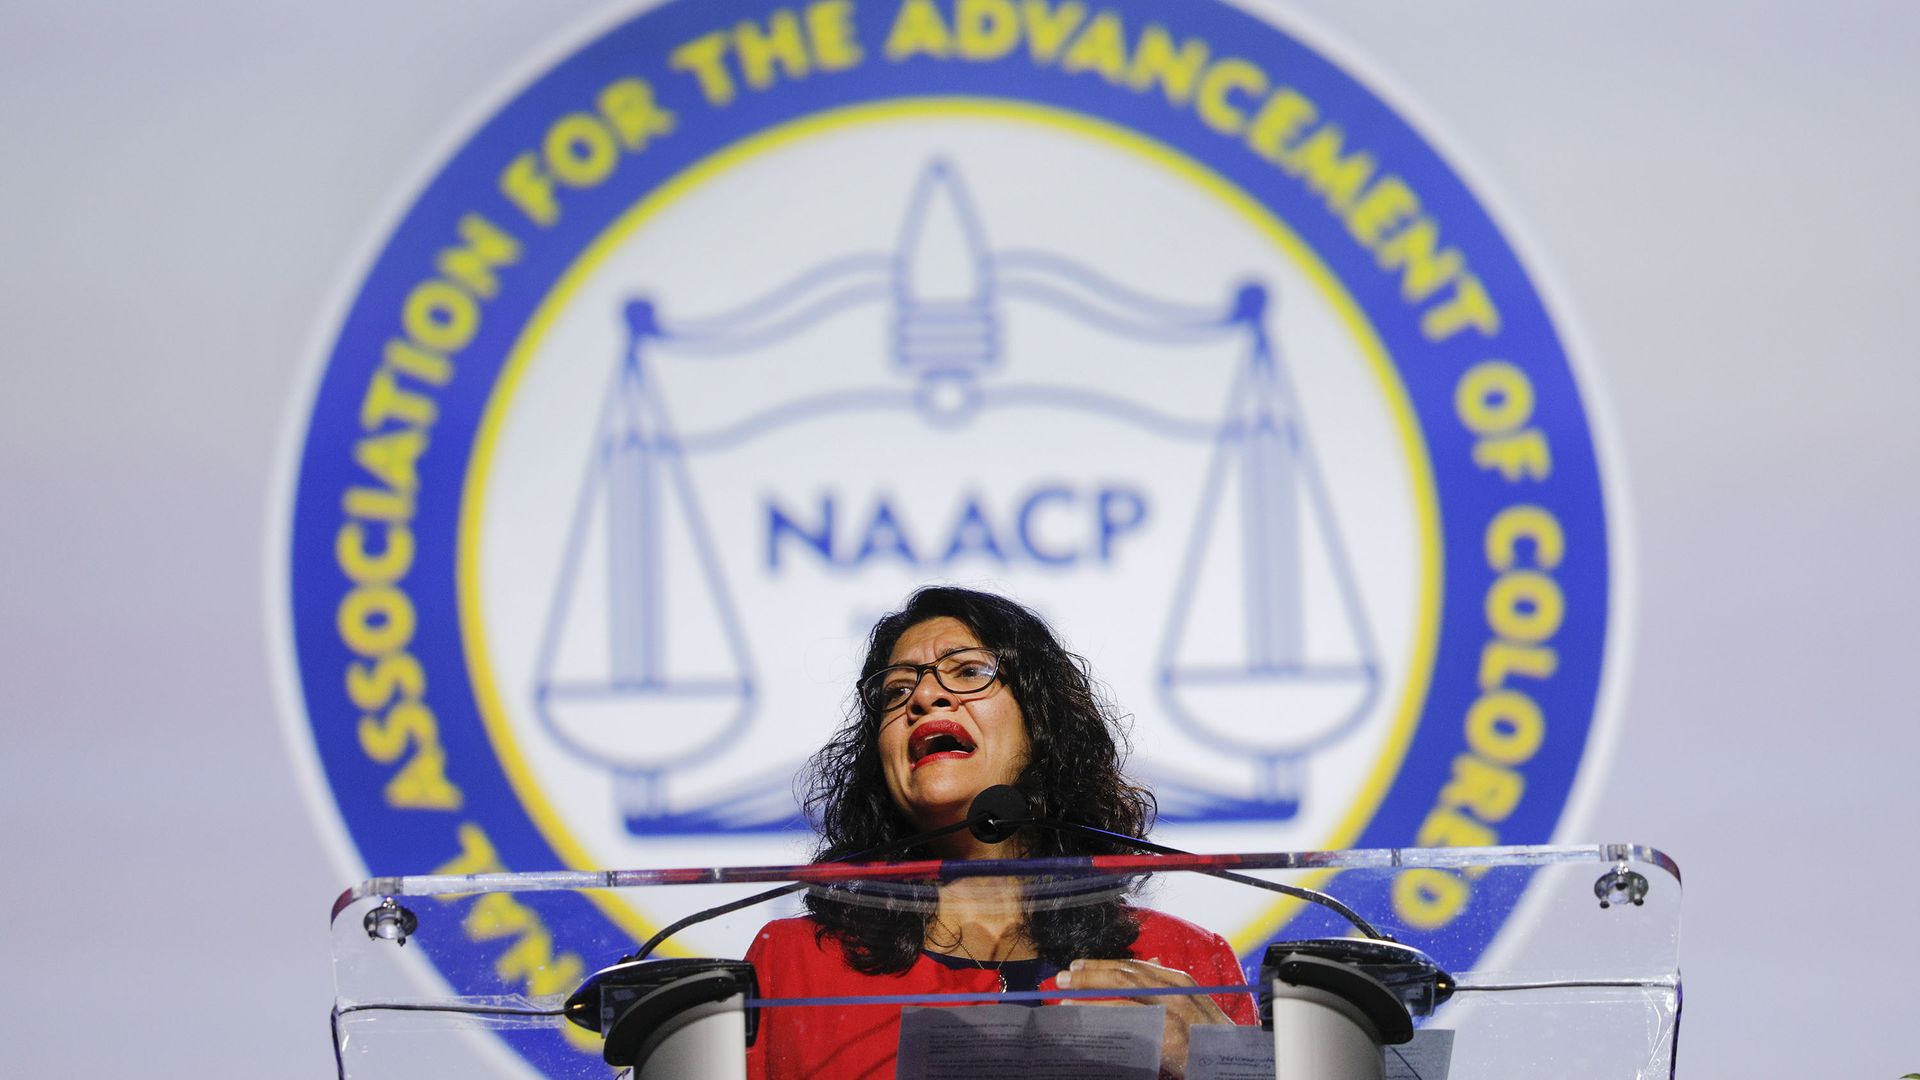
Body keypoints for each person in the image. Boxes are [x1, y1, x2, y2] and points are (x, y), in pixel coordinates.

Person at [745, 587, 1256, 1080]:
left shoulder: (1183, 959)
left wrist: (1225, 1070)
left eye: (969, 671)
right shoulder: (791, 967)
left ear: (1040, 721)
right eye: (897, 690)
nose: (923, 696)